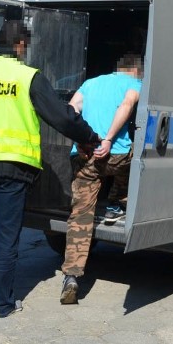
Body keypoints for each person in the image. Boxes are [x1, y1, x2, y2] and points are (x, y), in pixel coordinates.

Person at [0, 19, 101, 318]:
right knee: (6, 235)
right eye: (25, 45)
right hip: (13, 168)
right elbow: (62, 118)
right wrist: (90, 138)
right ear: (19, 45)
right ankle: (4, 304)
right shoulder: (28, 76)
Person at [60, 54, 143, 305]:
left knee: (80, 215)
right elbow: (126, 106)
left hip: (85, 155)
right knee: (140, 159)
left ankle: (72, 276)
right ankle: (117, 202)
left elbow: (71, 110)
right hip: (115, 156)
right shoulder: (134, 84)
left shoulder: (90, 83)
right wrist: (108, 139)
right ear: (136, 71)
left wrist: (82, 139)